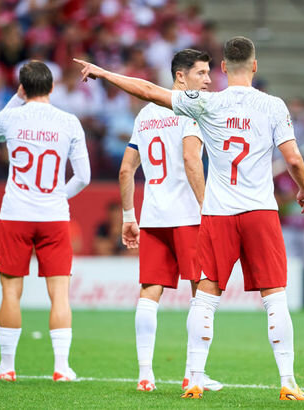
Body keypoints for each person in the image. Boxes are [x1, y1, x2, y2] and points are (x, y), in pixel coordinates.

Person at [74, 35, 304, 402]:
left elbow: (147, 90)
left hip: (218, 212)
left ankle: (196, 379)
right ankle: (287, 381)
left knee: (205, 297)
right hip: (259, 211)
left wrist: (105, 73)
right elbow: (295, 159)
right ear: (254, 66)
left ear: (222, 68)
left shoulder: (206, 103)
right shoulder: (272, 105)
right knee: (274, 296)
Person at [118, 48, 222, 392]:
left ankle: (144, 374)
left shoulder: (145, 115)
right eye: (202, 73)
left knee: (150, 292)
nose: (208, 80)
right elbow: (193, 160)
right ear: (181, 76)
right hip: (189, 216)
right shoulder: (191, 111)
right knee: (201, 292)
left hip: (152, 216)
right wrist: (208, 207)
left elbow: (125, 170)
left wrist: (128, 216)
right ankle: (194, 375)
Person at [0, 61, 91, 382]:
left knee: (10, 293)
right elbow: (83, 177)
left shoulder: (13, 116)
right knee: (59, 294)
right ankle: (61, 367)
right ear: (53, 87)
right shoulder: (69, 121)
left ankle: (7, 367)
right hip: (54, 216)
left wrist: (17, 99)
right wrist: (58, 195)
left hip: (15, 214)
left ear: (22, 88)